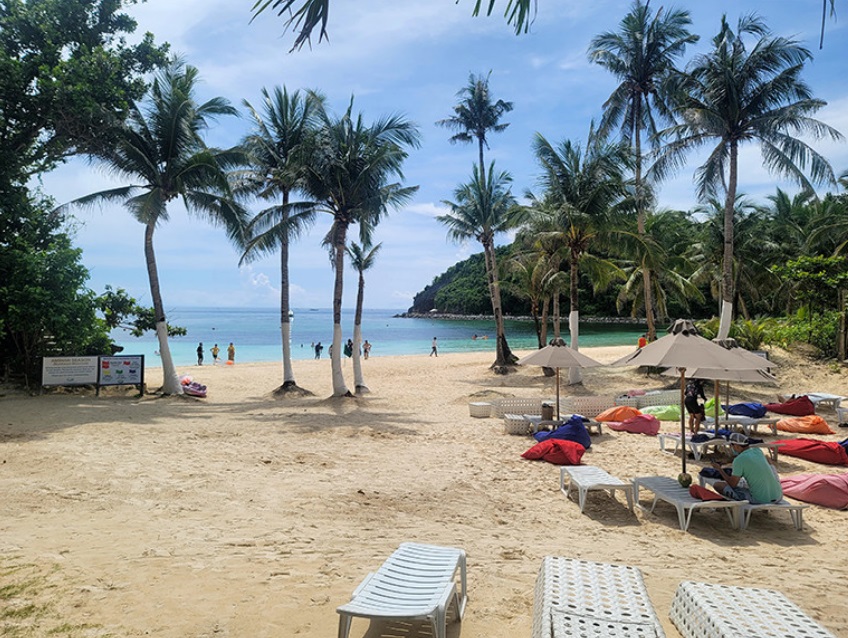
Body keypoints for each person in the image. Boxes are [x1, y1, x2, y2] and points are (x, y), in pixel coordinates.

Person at [711, 433, 783, 504]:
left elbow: (732, 484)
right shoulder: (757, 451)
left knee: (718, 485)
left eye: (731, 446)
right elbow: (747, 459)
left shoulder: (739, 460)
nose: (731, 448)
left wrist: (719, 469)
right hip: (778, 496)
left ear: (736, 446)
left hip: (760, 500)